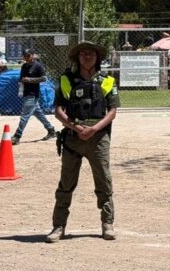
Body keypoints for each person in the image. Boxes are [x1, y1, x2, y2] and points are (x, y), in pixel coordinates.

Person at [46, 41, 120, 243]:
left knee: (104, 181)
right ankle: (58, 226)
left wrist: (95, 129)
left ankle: (107, 224)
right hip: (73, 138)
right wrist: (75, 128)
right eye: (83, 54)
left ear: (97, 58)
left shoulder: (107, 80)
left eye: (91, 54)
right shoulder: (67, 80)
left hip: (98, 138)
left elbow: (112, 111)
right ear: (77, 58)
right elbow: (59, 110)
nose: (87, 57)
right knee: (66, 184)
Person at [12, 49, 56, 145]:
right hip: (25, 93)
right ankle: (51, 130)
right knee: (38, 113)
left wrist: (30, 80)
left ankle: (17, 136)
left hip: (33, 94)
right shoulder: (24, 66)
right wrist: (21, 84)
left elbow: (44, 78)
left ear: (33, 55)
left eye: (28, 56)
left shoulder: (38, 66)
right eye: (24, 56)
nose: (26, 58)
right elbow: (22, 78)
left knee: (24, 116)